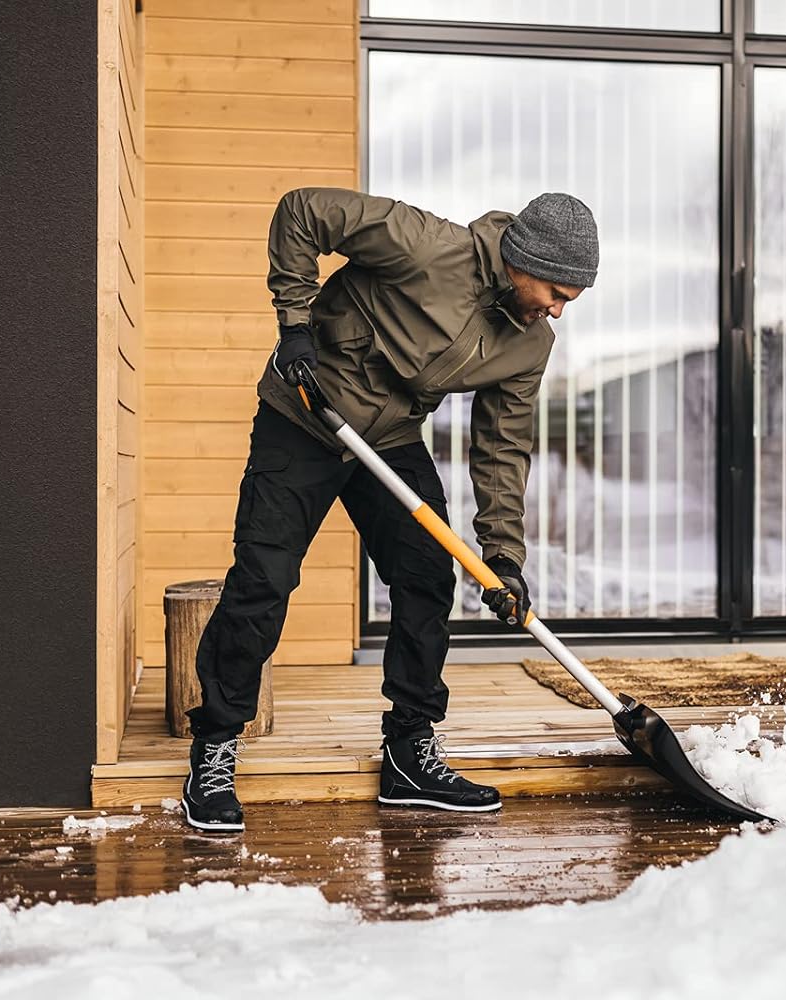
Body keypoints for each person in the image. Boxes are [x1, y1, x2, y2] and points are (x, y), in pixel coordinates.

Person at [180, 188, 599, 832]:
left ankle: (409, 753)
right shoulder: (429, 245)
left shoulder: (528, 345)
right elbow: (301, 211)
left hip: (389, 439)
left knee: (426, 579)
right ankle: (213, 748)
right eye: (556, 292)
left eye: (569, 301)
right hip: (305, 416)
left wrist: (504, 555)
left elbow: (502, 446)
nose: (558, 311)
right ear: (523, 259)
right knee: (263, 581)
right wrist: (294, 325)